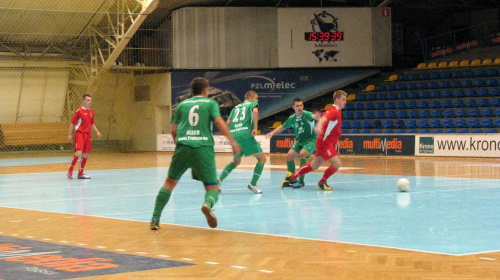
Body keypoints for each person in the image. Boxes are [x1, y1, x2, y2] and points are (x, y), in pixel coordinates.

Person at [150, 77, 241, 230]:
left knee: (169, 183)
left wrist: (180, 145)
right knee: (212, 188)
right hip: (203, 147)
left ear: (192, 91)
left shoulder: (181, 105)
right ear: (206, 90)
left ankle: (155, 219)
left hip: (183, 146)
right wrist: (232, 141)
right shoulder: (211, 103)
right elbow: (219, 122)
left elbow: (173, 130)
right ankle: (207, 204)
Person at [281, 90, 348, 191]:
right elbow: (323, 119)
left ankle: (291, 179)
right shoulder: (334, 111)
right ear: (337, 99)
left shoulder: (333, 109)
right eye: (343, 99)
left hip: (323, 142)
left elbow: (324, 118)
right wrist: (319, 125)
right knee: (337, 163)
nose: (345, 102)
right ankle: (322, 182)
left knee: (314, 166)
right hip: (326, 144)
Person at [218, 91, 266, 194]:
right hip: (245, 133)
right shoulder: (252, 104)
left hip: (234, 134)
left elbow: (228, 123)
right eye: (256, 98)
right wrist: (255, 128)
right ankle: (253, 184)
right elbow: (256, 112)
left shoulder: (235, 108)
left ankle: (219, 180)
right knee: (262, 159)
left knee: (236, 161)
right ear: (251, 98)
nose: (257, 100)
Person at [265, 98, 319, 188]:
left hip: (311, 140)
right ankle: (292, 178)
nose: (299, 107)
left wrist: (316, 116)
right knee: (289, 156)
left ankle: (301, 181)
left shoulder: (307, 114)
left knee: (302, 154)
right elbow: (283, 126)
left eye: (301, 105)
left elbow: (313, 117)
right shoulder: (292, 118)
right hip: (300, 141)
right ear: (293, 107)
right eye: (297, 106)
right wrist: (272, 133)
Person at [67, 94, 101, 179]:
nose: (90, 102)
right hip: (80, 134)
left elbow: (92, 124)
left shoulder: (91, 111)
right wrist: (69, 134)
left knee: (86, 154)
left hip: (87, 135)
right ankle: (70, 170)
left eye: (90, 100)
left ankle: (80, 173)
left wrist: (97, 131)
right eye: (88, 100)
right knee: (79, 153)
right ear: (83, 101)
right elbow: (72, 123)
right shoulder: (79, 111)